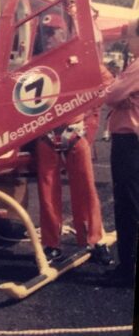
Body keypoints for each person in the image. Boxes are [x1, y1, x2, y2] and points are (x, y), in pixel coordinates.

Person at [36, 15, 114, 265]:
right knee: (47, 191)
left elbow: (107, 85)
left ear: (66, 33)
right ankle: (51, 244)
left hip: (75, 131)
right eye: (45, 32)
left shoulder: (80, 60)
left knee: (86, 188)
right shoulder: (35, 64)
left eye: (54, 32)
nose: (49, 37)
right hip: (45, 134)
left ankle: (93, 239)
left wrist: (89, 118)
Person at [104, 19, 139, 288]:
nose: (127, 43)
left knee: (128, 205)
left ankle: (127, 268)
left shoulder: (136, 67)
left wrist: (121, 95)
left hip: (130, 142)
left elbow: (112, 94)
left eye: (129, 38)